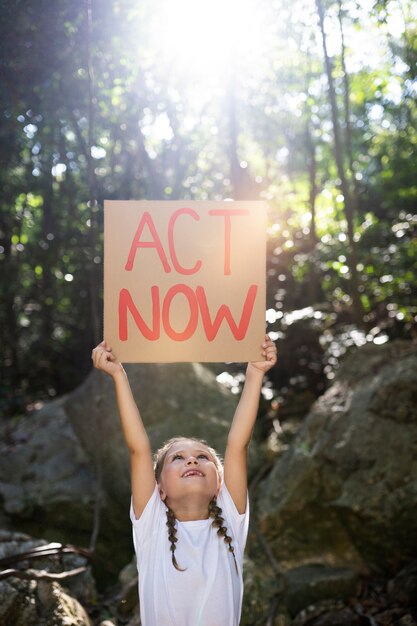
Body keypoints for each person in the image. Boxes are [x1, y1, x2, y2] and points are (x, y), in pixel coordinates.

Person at [92, 336, 277, 626]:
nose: (192, 460)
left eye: (203, 457)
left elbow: (237, 444)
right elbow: (138, 448)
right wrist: (118, 375)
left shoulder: (230, 519)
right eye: (177, 458)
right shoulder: (151, 525)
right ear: (160, 490)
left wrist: (254, 373)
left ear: (220, 485)